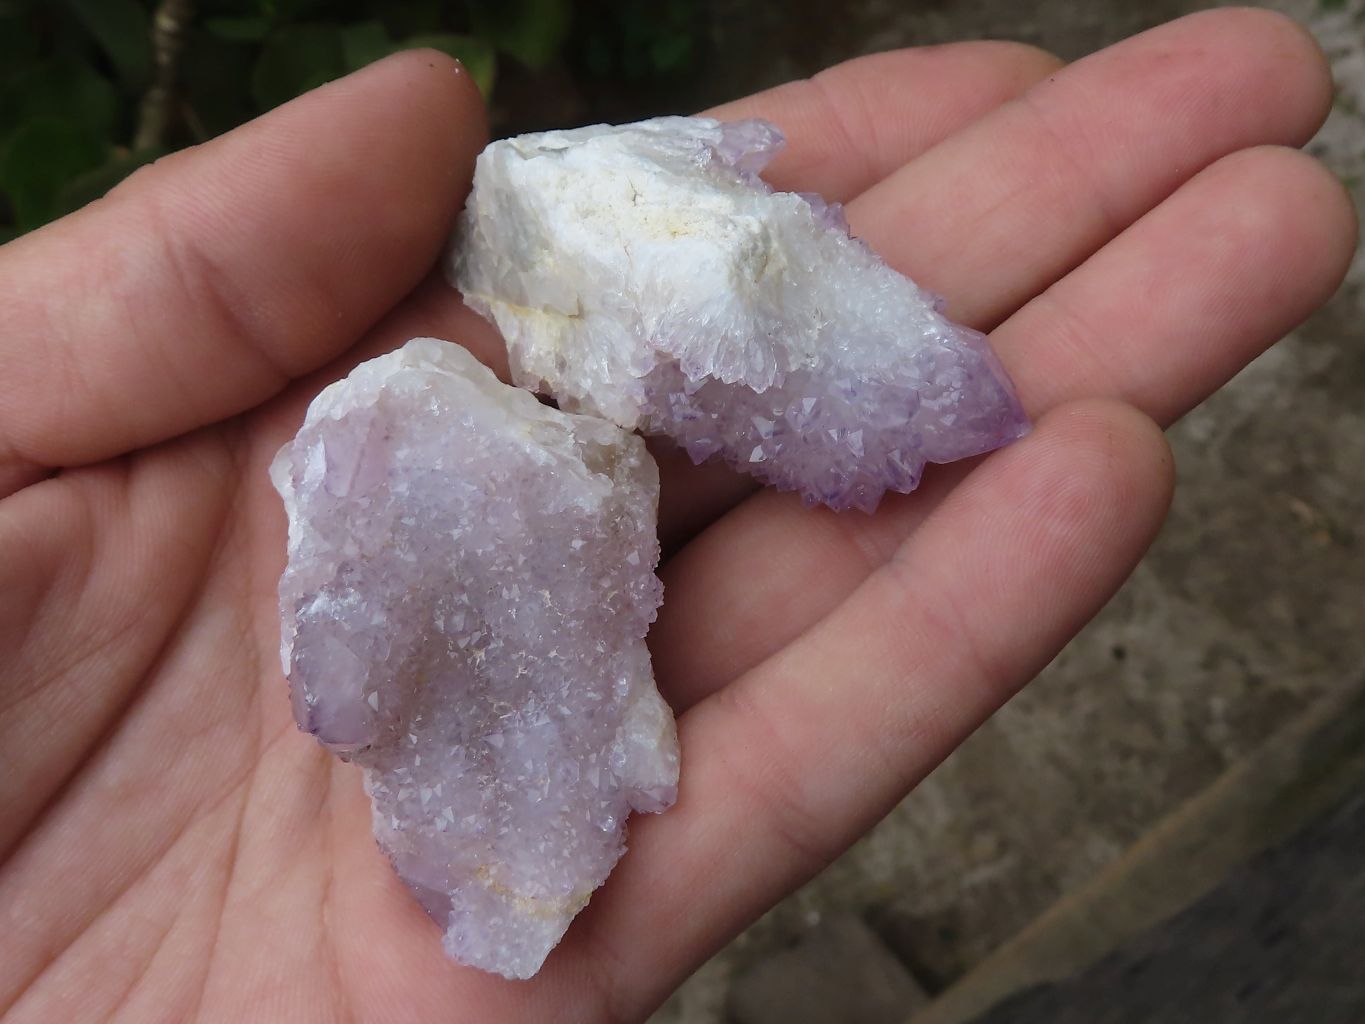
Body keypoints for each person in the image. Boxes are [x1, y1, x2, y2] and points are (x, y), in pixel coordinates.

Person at [0, 8, 1355, 1022]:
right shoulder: (442, 436)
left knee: (957, 418)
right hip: (512, 806)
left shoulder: (490, 373)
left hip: (631, 392)